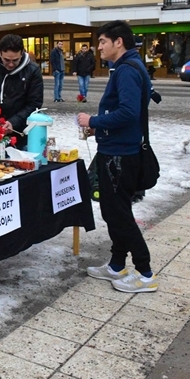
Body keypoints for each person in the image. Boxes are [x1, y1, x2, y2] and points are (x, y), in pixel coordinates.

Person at [77, 20, 158, 294]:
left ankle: (145, 272)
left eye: (102, 42)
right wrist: (98, 127)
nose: (98, 47)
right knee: (113, 211)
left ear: (118, 42)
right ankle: (116, 264)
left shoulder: (126, 70)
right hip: (116, 150)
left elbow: (129, 112)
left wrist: (94, 120)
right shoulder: (127, 67)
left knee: (118, 214)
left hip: (120, 156)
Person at [0, 34, 44, 150]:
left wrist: (13, 122)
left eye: (15, 60)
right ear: (0, 53)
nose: (11, 64)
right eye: (7, 60)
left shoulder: (32, 70)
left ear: (21, 53)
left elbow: (34, 103)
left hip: (20, 133)